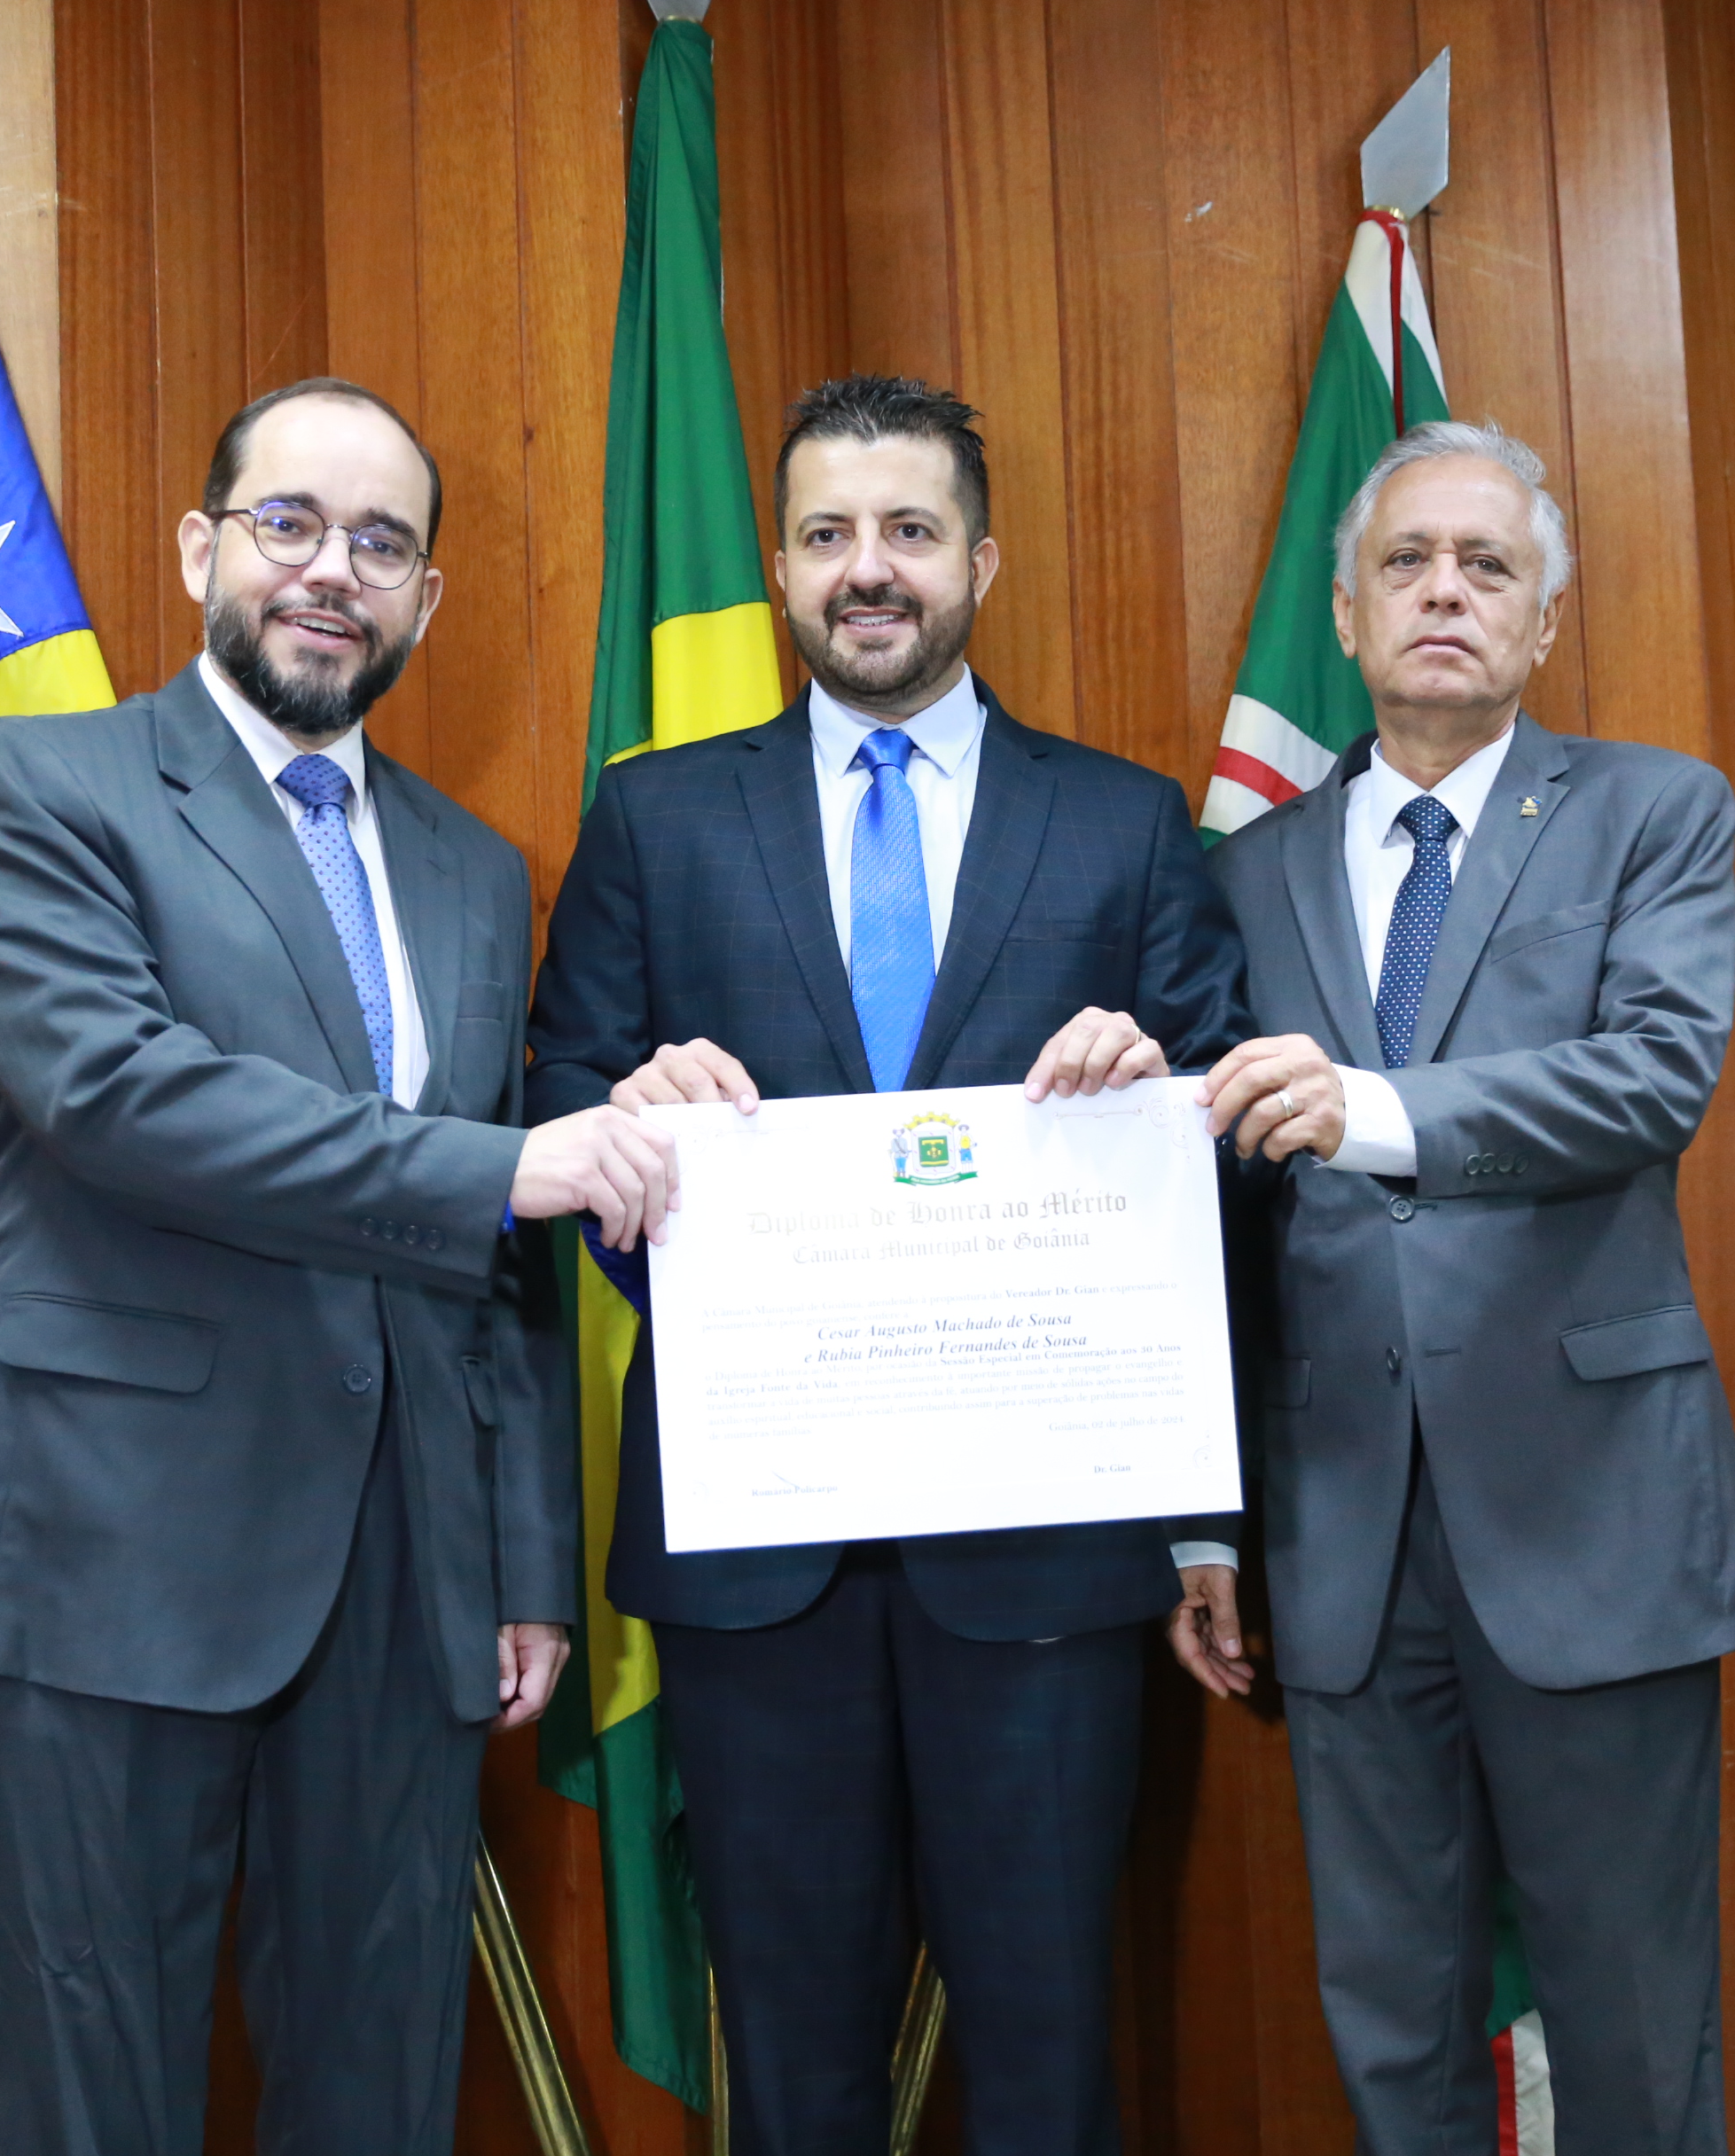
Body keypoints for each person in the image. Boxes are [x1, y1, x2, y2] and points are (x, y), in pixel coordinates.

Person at [0, 378, 679, 2156]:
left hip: (404, 1580)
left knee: (380, 2088)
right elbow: (122, 1096)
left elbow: (500, 1268)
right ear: (199, 549)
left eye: (382, 544)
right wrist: (506, 1169)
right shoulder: (41, 786)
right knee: (90, 2102)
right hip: (101, 1553)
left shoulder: (476, 870)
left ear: (425, 599)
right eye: (287, 523)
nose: (331, 572)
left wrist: (522, 1557)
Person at [526, 374, 1251, 2156]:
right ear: (779, 568)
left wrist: (1157, 1103)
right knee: (793, 2065)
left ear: (979, 562)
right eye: (830, 534)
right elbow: (555, 1107)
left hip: (1046, 1560)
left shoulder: (1127, 823)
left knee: (1049, 2056)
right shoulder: (655, 819)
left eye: (911, 531)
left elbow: (1233, 1145)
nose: (871, 568)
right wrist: (629, 1127)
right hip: (759, 1549)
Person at [1196, 419, 1735, 2155]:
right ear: (1348, 616)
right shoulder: (1242, 871)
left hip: (1593, 1519)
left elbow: (1653, 1077)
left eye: (1487, 564)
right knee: (1393, 2033)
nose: (1445, 591)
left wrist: (1370, 1112)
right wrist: (1202, 1522)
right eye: (1407, 562)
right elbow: (1211, 1215)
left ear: (1543, 618)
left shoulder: (1655, 811)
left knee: (1634, 2030)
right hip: (1342, 1539)